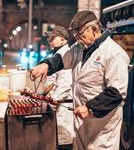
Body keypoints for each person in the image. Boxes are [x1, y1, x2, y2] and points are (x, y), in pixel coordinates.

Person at [30, 10, 130, 150]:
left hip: (101, 127)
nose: (77, 38)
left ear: (94, 29)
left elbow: (117, 92)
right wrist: (46, 65)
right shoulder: (79, 48)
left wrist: (90, 108)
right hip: (81, 124)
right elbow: (61, 59)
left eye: (80, 34)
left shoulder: (114, 53)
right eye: (75, 35)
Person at [43, 26, 74, 150]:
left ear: (63, 40)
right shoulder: (56, 53)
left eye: (53, 38)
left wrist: (53, 100)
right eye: (49, 38)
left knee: (64, 141)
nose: (50, 41)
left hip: (63, 105)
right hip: (56, 102)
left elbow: (65, 84)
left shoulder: (66, 54)